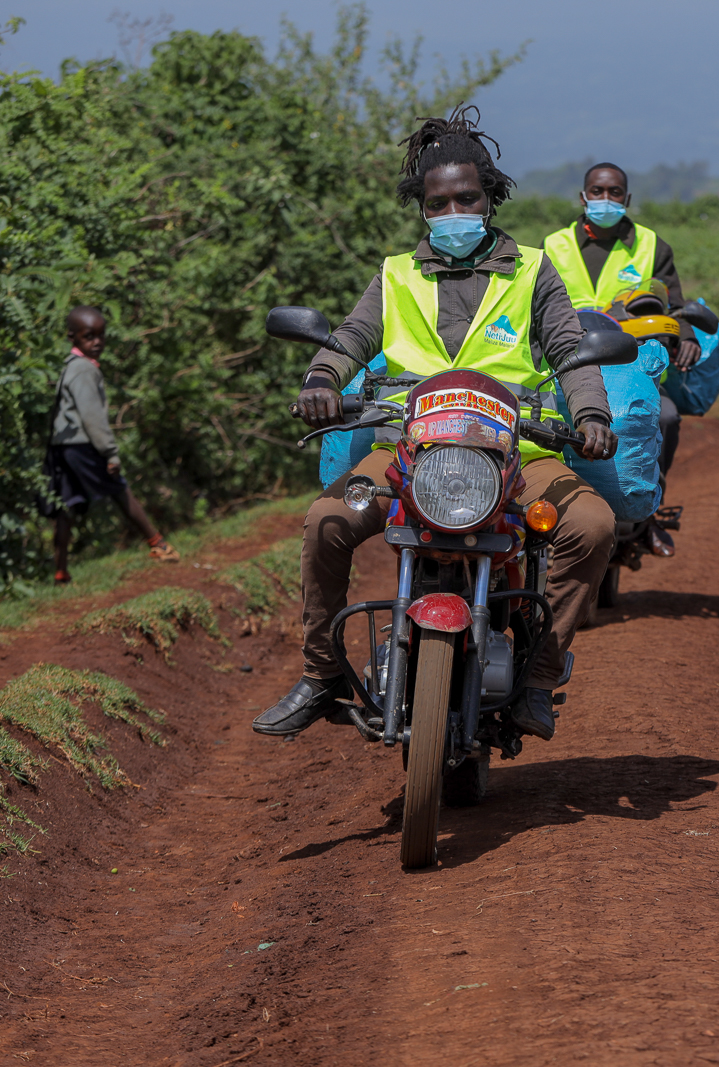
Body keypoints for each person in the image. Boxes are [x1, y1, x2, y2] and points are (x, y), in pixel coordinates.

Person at [252, 106, 618, 744]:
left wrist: (589, 415)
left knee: (593, 524)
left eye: (467, 198)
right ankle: (322, 674)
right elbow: (348, 340)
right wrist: (318, 382)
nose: (454, 212)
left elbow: (568, 351)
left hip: (516, 449)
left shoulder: (534, 271)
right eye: (439, 202)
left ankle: (540, 674)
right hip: (408, 451)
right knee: (325, 523)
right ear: (422, 207)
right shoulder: (394, 275)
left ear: (490, 197)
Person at [542, 162, 700, 556]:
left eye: (615, 193)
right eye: (597, 192)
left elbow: (675, 305)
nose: (606, 200)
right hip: (566, 360)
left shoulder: (651, 246)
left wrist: (689, 333)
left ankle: (646, 514)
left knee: (664, 417)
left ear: (627, 200)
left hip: (633, 366)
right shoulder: (552, 245)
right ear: (583, 197)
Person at [46, 306, 179, 583]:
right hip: (83, 446)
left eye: (101, 336)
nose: (97, 342)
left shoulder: (71, 366)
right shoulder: (83, 370)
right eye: (88, 336)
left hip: (63, 447)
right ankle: (158, 544)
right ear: (72, 337)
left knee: (65, 507)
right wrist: (110, 453)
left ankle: (61, 570)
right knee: (119, 489)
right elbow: (92, 417)